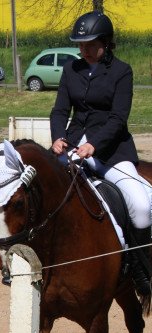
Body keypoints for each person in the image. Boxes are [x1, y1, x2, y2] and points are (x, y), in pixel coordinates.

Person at [50, 11, 152, 296]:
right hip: (71, 146)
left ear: (106, 43)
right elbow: (60, 110)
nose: (84, 49)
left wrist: (94, 144)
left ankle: (140, 269)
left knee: (142, 208)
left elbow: (118, 118)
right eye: (80, 44)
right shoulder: (72, 68)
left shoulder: (122, 71)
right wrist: (58, 136)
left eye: (90, 44)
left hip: (110, 151)